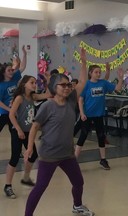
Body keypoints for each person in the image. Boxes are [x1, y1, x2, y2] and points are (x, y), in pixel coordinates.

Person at [24, 49, 94, 216]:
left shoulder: (70, 101)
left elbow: (83, 81)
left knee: (78, 182)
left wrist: (84, 63)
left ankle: (77, 206)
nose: (67, 87)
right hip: (49, 155)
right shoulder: (48, 106)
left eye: (68, 84)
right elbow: (34, 126)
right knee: (40, 187)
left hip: (67, 154)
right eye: (63, 85)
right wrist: (29, 148)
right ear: (54, 88)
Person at [4, 75, 51, 199]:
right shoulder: (19, 98)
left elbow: (48, 95)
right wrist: (18, 129)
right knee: (14, 158)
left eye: (35, 82)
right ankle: (7, 186)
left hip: (27, 131)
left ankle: (26, 177)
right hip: (17, 131)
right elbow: (11, 115)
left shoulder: (33, 96)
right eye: (32, 82)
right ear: (24, 84)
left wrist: (48, 81)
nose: (34, 84)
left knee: (34, 154)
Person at [74, 64, 124, 170]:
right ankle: (74, 160)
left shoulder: (103, 83)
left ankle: (103, 159)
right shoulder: (87, 84)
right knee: (83, 136)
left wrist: (120, 78)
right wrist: (82, 113)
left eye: (99, 72)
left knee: (101, 136)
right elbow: (80, 100)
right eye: (96, 72)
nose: (98, 74)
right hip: (87, 116)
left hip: (99, 115)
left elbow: (118, 88)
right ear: (90, 73)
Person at [0, 45, 27, 136]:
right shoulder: (1, 85)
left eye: (12, 70)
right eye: (9, 70)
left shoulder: (14, 78)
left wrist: (25, 54)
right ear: (3, 73)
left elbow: (22, 67)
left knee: (15, 132)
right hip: (3, 112)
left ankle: (16, 149)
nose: (12, 71)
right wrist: (9, 109)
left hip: (14, 111)